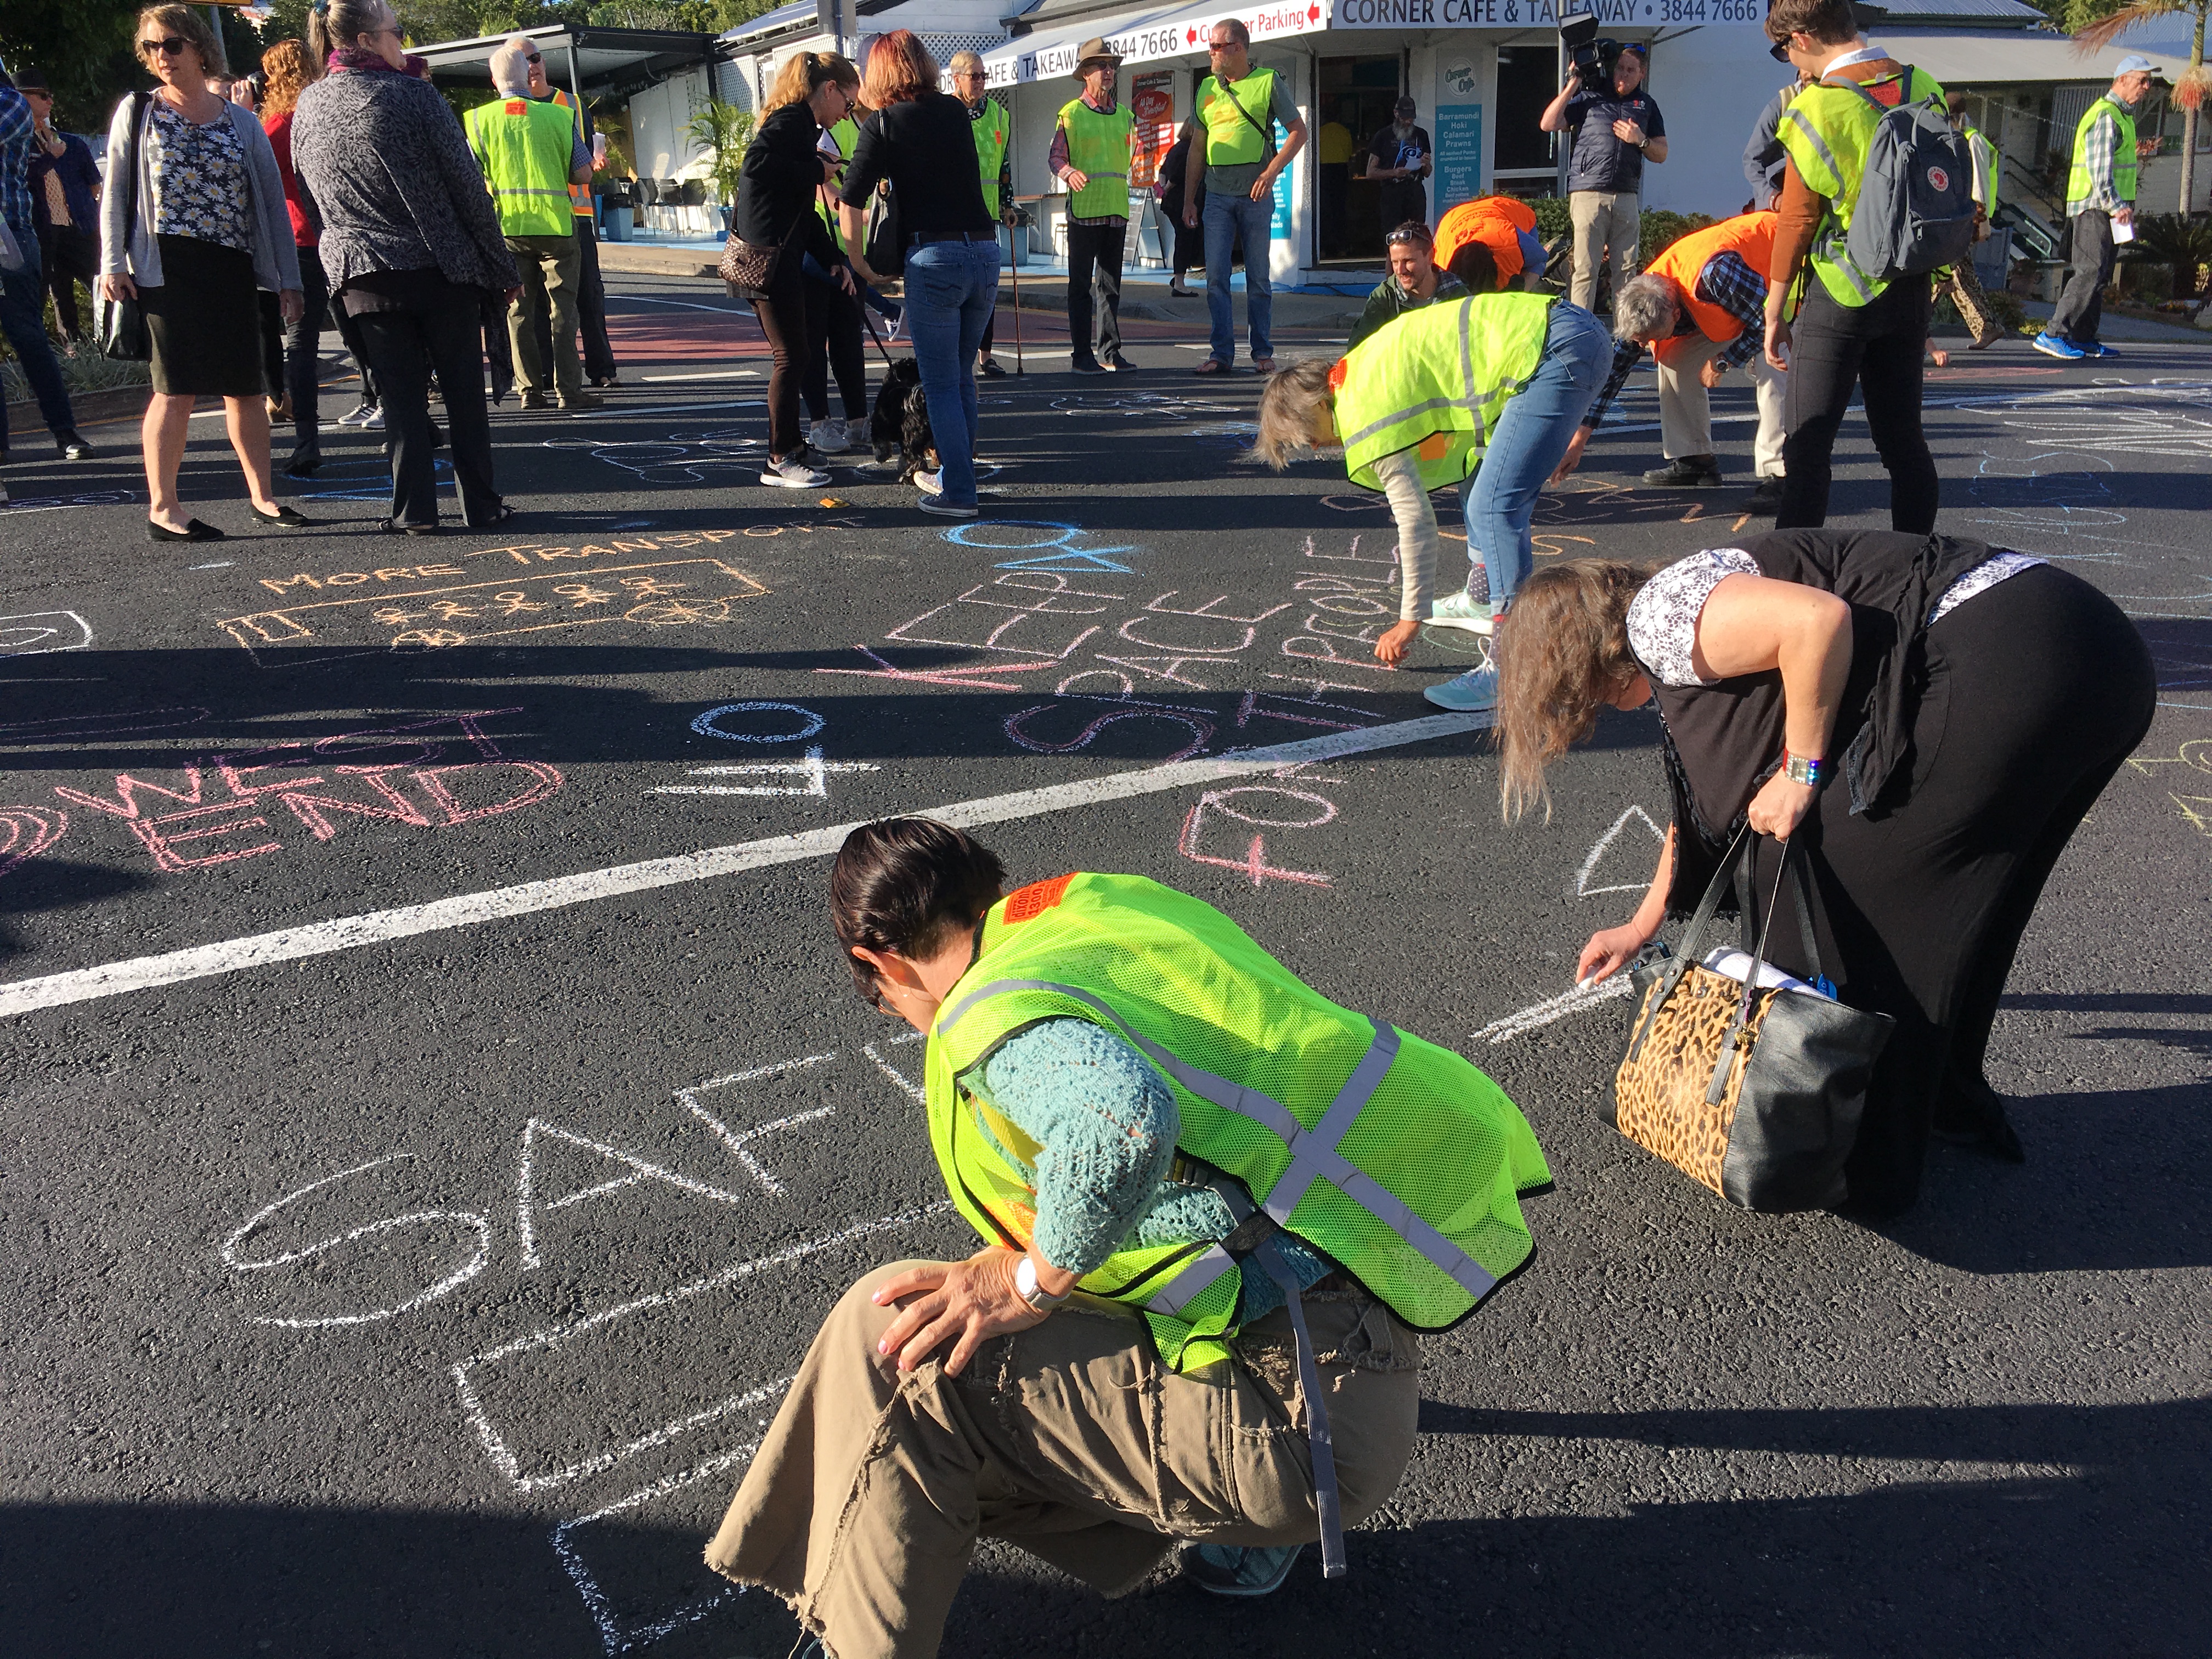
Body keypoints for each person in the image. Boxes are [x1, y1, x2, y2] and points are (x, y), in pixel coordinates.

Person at [704, 819, 1550, 1647]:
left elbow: (1121, 1126)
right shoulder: (1093, 912)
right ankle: (1250, 1539)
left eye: (891, 1005)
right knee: (1014, 1294)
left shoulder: (985, 1014)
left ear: (881, 963)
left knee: (893, 1344)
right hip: (1357, 1311)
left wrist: (1032, 1282)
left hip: (1307, 1425)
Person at [1493, 533, 2154, 1214]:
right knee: (1969, 902)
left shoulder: (1660, 619)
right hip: (2093, 658)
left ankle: (1848, 1157)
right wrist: (1643, 923)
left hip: (2011, 652)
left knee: (1842, 883)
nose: (1590, 718)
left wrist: (1800, 771)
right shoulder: (1688, 612)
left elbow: (1817, 622)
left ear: (1579, 660)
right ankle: (1941, 1104)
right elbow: (1695, 809)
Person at [1254, 289, 1611, 708]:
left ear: (1311, 407)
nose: (1314, 447)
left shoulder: (1365, 413)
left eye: (1304, 438)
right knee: (1479, 479)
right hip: (1563, 334)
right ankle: (1481, 599)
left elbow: (1416, 523)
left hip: (1555, 351)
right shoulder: (1360, 372)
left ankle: (1514, 661)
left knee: (1494, 505)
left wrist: (1410, 620)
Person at [292, 0, 521, 534]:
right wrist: (500, 267)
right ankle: (481, 504)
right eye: (398, 33)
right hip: (439, 267)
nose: (404, 43)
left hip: (362, 273)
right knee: (463, 394)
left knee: (400, 400)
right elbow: (468, 188)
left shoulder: (309, 105)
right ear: (368, 40)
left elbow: (308, 196)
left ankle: (414, 510)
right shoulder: (414, 94)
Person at [99, 6, 303, 543]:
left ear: (197, 47)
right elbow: (117, 191)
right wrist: (112, 264)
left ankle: (263, 497)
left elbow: (272, 205)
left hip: (232, 264)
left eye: (170, 45)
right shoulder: (139, 111)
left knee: (246, 386)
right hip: (165, 266)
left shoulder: (241, 121)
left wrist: (288, 277)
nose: (160, 57)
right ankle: (164, 508)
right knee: (176, 388)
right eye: (150, 48)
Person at [1763, 0, 1945, 533]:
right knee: (1904, 444)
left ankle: (1797, 581)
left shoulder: (1817, 107)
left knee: (1809, 447)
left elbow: (1797, 218)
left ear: (1801, 38)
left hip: (1844, 288)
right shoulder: (1922, 84)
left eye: (1785, 52)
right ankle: (1915, 567)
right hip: (1910, 281)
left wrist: (1776, 309)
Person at [840, 31, 1000, 519]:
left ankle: (960, 492)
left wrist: (861, 264)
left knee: (940, 383)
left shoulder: (884, 123)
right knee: (964, 377)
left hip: (934, 258)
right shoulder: (955, 111)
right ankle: (960, 473)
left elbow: (850, 200)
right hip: (984, 250)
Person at [1556, 211, 1788, 512]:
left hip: (1780, 288)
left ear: (1676, 316)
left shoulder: (1717, 275)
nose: (1641, 345)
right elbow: (1614, 374)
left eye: (1647, 338)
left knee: (1775, 362)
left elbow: (1765, 323)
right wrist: (1578, 442)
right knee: (1673, 358)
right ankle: (1695, 460)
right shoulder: (1645, 296)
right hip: (1733, 306)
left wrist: (1724, 361)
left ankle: (1781, 474)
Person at [734, 50, 856, 490]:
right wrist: (816, 169)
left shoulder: (800, 126)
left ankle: (789, 445)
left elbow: (803, 216)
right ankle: (779, 458)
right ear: (829, 90)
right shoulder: (790, 121)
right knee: (791, 356)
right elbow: (755, 166)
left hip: (775, 255)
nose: (847, 115)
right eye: (849, 103)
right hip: (767, 259)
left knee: (798, 352)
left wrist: (833, 259)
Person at [465, 42, 595, 413]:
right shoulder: (557, 117)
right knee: (563, 311)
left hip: (508, 229)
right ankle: (569, 390)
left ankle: (529, 391)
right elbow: (583, 172)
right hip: (557, 226)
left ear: (494, 80)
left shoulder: (478, 120)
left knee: (518, 313)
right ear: (528, 75)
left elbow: (470, 179)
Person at [1183, 18, 1306, 375]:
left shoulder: (1268, 81)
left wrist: (1272, 173)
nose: (1211, 53)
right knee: (1216, 278)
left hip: (1255, 194)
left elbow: (1299, 131)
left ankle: (1262, 352)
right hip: (1217, 195)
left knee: (1259, 277)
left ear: (1238, 48)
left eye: (1217, 47)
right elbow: (1197, 148)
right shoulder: (1206, 87)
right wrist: (1191, 199)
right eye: (1210, 46)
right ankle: (1221, 354)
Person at [505, 36, 618, 390]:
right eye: (525, 61)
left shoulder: (570, 103)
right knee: (536, 304)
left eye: (536, 58)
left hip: (575, 214)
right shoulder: (505, 111)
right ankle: (549, 376)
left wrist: (595, 151)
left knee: (588, 295)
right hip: (526, 221)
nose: (533, 66)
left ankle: (601, 368)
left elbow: (583, 155)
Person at [1, 65, 93, 481]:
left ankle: (65, 431)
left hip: (11, 236)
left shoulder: (12, 103)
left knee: (28, 336)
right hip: (21, 234)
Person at [2036, 55, 2159, 362]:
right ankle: (2053, 334)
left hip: (2109, 210)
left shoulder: (2123, 117)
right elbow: (2099, 169)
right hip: (2095, 207)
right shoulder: (2106, 115)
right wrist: (2116, 205)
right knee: (2089, 271)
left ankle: (2084, 337)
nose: (2147, 87)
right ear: (2121, 81)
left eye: (2149, 81)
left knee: (2100, 275)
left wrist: (2122, 207)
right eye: (2142, 80)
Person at [259, 38, 340, 478]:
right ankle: (415, 420)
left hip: (300, 239)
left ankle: (308, 440)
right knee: (364, 333)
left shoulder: (275, 126)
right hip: (340, 234)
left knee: (301, 343)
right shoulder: (325, 115)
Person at [1541, 43, 1665, 319]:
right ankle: (1580, 330)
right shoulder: (1591, 96)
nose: (1623, 74)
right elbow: (1548, 124)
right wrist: (1575, 81)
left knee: (1626, 269)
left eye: (1631, 70)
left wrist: (1640, 140)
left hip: (1626, 195)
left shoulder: (1647, 105)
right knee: (1585, 268)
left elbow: (1662, 153)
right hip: (1589, 192)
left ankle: (1624, 335)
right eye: (1620, 68)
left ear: (1642, 73)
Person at [1049, 38, 1137, 375]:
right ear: (1086, 73)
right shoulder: (1071, 114)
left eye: (1112, 66)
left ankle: (1111, 353)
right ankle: (1081, 356)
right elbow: (1056, 156)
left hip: (1115, 210)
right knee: (1080, 287)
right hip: (1085, 212)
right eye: (1101, 66)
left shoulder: (1125, 116)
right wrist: (1068, 171)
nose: (1109, 71)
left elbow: (1132, 158)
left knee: (1111, 287)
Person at [19, 69, 101, 350]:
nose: (50, 101)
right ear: (21, 99)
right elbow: (21, 180)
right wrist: (48, 159)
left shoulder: (72, 144)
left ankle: (114, 343)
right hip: (40, 229)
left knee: (101, 282)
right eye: (42, 96)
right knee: (55, 292)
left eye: (50, 95)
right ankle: (73, 349)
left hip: (77, 225)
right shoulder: (17, 144)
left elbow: (94, 185)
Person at [948, 52, 1012, 378]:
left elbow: (1003, 169)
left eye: (983, 76)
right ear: (956, 78)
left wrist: (1007, 204)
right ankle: (956, 357)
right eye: (974, 76)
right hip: (951, 216)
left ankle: (986, 356)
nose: (980, 82)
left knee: (986, 292)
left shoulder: (1000, 115)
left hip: (986, 217)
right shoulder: (944, 114)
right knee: (957, 289)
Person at [1927, 92, 2003, 364]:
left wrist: (1979, 219)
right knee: (1958, 274)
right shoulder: (1952, 140)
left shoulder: (1973, 141)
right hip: (1954, 217)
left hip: (1968, 218)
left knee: (1940, 274)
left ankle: (1916, 326)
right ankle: (1987, 326)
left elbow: (1980, 183)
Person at [1344, 221, 1468, 352]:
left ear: (1431, 256)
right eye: (1395, 262)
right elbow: (1356, 350)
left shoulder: (1458, 295)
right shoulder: (1385, 297)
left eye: (1408, 261)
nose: (1400, 270)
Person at [1430, 194, 1546, 293]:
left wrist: (1520, 293)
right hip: (1453, 218)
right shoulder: (1441, 261)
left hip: (1511, 210)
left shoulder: (1512, 241)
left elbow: (1541, 259)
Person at [1743, 68, 1814, 212]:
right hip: (1777, 207)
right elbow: (1752, 161)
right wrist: (1772, 197)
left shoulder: (1842, 97)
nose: (1810, 74)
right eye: (1805, 67)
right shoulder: (1782, 104)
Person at [1363, 97, 1431, 236]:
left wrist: (1427, 163)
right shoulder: (1383, 136)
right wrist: (1394, 173)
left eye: (1411, 118)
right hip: (1392, 192)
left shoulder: (1422, 135)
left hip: (1415, 191)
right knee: (1392, 235)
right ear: (1396, 114)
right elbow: (1370, 172)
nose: (1408, 122)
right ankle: (1391, 259)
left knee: (1417, 234)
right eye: (1405, 118)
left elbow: (1427, 173)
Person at [1154, 128, 1200, 297]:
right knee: (1185, 239)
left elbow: (1163, 171)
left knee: (1185, 238)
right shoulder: (1190, 149)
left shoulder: (1175, 148)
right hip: (1181, 202)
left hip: (1172, 203)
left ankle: (1178, 278)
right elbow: (1177, 176)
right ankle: (1179, 282)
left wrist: (1162, 189)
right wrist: (1167, 189)